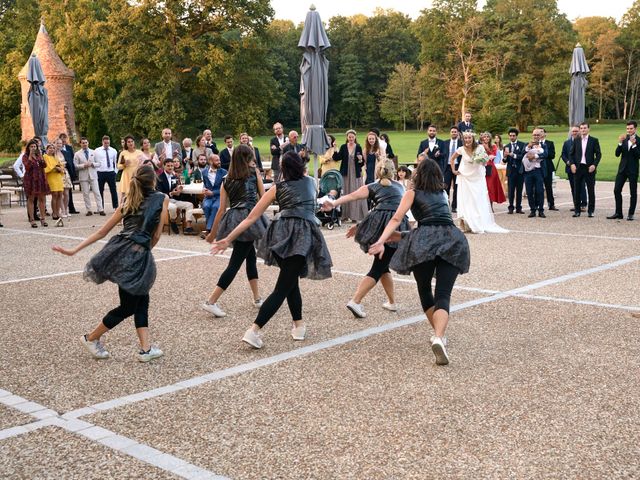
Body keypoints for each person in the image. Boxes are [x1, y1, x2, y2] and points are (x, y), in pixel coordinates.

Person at [211, 151, 332, 348]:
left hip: (280, 234)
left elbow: (251, 217)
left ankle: (299, 325)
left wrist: (228, 238)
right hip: (302, 236)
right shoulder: (311, 182)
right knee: (282, 287)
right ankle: (254, 330)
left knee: (290, 281)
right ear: (301, 166)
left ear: (283, 169)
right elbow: (309, 204)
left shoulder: (277, 188)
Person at [52, 165, 168, 362]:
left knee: (141, 300)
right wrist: (145, 251)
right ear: (153, 181)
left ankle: (146, 349)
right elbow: (157, 234)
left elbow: (101, 232)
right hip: (139, 253)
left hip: (118, 250)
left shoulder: (128, 200)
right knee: (128, 306)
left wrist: (74, 250)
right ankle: (91, 338)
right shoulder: (162, 198)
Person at [369, 159, 470, 366]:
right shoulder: (442, 194)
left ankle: (438, 335)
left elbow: (398, 217)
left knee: (425, 289)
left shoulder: (412, 193)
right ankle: (439, 337)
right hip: (453, 239)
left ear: (418, 175)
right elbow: (438, 221)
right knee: (444, 294)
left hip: (424, 242)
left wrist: (381, 240)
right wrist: (400, 235)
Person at [322, 158, 409, 318]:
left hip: (377, 223)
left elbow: (352, 196)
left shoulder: (372, 186)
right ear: (394, 172)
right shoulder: (400, 187)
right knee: (379, 266)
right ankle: (356, 300)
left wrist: (333, 204)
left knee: (383, 266)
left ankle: (392, 302)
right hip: (394, 226)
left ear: (377, 171)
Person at [203, 145, 268, 315]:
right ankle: (211, 300)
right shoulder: (254, 174)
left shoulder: (226, 179)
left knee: (250, 257)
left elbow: (221, 209)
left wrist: (212, 233)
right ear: (248, 158)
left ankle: (257, 297)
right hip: (249, 218)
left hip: (234, 218)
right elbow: (264, 196)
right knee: (236, 262)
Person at [452, 131, 508, 234]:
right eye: (466, 138)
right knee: (465, 200)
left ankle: (478, 222)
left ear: (473, 138)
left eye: (469, 138)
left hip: (477, 178)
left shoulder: (480, 148)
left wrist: (481, 160)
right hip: (464, 177)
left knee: (477, 199)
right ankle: (465, 224)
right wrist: (454, 170)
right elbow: (452, 158)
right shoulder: (461, 149)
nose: (467, 140)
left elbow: (485, 162)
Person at [333, 130, 367, 222]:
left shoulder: (358, 147)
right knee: (345, 193)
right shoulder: (344, 147)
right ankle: (344, 215)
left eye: (352, 137)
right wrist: (335, 148)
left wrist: (360, 160)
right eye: (349, 137)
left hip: (355, 174)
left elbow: (361, 163)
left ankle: (354, 216)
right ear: (347, 138)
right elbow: (336, 158)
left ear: (355, 137)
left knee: (355, 193)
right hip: (345, 174)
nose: (351, 138)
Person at [608, 120, 639, 221]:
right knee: (616, 190)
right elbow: (617, 154)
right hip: (622, 169)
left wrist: (634, 145)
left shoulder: (639, 140)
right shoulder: (624, 139)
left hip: (633, 170)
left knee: (633, 192)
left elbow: (639, 156)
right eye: (627, 129)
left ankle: (631, 213)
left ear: (635, 129)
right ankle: (618, 213)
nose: (629, 130)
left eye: (631, 128)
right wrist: (620, 143)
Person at [156, 158, 197, 234]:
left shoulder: (174, 177)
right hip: (163, 201)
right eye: (168, 166)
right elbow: (159, 193)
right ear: (164, 166)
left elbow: (174, 190)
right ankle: (172, 221)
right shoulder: (159, 178)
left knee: (189, 204)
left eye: (171, 166)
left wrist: (178, 190)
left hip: (173, 200)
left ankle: (188, 227)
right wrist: (171, 193)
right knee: (173, 207)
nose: (170, 167)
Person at [569, 122, 601, 218]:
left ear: (588, 129)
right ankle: (577, 211)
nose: (583, 130)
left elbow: (599, 154)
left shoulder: (594, 140)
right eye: (581, 128)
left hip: (589, 168)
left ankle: (591, 211)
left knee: (591, 190)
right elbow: (571, 154)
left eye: (585, 128)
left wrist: (594, 165)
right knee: (577, 190)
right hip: (578, 168)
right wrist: (572, 164)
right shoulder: (576, 140)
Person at [74, 138, 103, 216]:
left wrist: (92, 164)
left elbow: (99, 163)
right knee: (86, 193)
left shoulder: (93, 152)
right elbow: (76, 166)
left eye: (86, 142)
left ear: (88, 143)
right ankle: (89, 210)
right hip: (83, 176)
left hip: (93, 175)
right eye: (83, 143)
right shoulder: (77, 154)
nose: (85, 144)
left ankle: (100, 209)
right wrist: (83, 165)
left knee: (97, 192)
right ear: (80, 144)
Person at [522, 128, 548, 218]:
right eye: (534, 135)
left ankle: (541, 210)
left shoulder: (543, 145)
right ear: (532, 135)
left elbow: (545, 155)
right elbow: (522, 153)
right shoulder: (527, 144)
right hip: (528, 172)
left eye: (538, 135)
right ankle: (532, 210)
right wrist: (528, 147)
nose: (536, 136)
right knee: (529, 191)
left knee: (540, 191)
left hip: (538, 171)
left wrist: (535, 156)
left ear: (541, 136)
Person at [561, 126, 587, 212]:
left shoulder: (583, 141)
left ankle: (583, 204)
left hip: (581, 168)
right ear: (571, 132)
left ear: (579, 131)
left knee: (582, 186)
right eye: (573, 131)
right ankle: (576, 204)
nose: (575, 133)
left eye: (576, 131)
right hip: (570, 168)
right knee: (573, 187)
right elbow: (563, 154)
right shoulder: (567, 143)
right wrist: (568, 162)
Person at [201, 154, 226, 236]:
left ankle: (209, 230)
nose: (219, 162)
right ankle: (213, 230)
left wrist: (213, 193)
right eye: (217, 160)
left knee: (215, 207)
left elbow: (226, 188)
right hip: (208, 197)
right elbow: (205, 184)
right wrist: (204, 189)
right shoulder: (204, 172)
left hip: (220, 196)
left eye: (219, 160)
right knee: (206, 206)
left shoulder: (224, 172)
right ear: (211, 162)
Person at [479, 132, 506, 210]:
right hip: (481, 168)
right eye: (484, 137)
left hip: (490, 168)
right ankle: (482, 206)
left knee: (490, 187)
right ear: (482, 138)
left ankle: (490, 206)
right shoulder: (479, 146)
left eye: (488, 137)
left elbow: (492, 156)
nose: (486, 138)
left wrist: (486, 148)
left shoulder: (493, 146)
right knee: (482, 187)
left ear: (490, 138)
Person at [503, 128, 526, 214]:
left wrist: (514, 155)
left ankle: (519, 207)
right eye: (510, 136)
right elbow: (505, 161)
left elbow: (522, 156)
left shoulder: (522, 145)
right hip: (511, 171)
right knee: (511, 190)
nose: (512, 137)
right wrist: (505, 157)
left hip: (519, 170)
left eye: (513, 135)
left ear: (516, 136)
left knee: (519, 190)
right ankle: (511, 207)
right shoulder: (506, 146)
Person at [94, 135, 119, 211]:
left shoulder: (113, 151)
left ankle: (115, 206)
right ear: (102, 142)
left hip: (110, 172)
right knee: (100, 190)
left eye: (108, 143)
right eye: (105, 143)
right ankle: (101, 207)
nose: (107, 145)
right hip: (101, 172)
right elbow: (94, 161)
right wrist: (96, 171)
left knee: (113, 190)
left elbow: (115, 162)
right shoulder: (97, 151)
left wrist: (115, 171)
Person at [43, 143, 65, 226]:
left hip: (58, 176)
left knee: (60, 194)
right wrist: (55, 167)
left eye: (53, 148)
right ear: (47, 149)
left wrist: (60, 168)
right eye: (50, 148)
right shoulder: (45, 157)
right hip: (51, 177)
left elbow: (60, 165)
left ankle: (58, 212)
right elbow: (47, 167)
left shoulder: (55, 157)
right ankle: (54, 213)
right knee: (54, 194)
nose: (51, 149)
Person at [117, 135, 142, 203]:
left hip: (137, 175)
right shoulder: (123, 153)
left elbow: (144, 163)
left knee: (137, 194)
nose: (130, 143)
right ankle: (121, 211)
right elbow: (118, 166)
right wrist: (125, 164)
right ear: (126, 143)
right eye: (128, 142)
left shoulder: (139, 152)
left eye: (132, 141)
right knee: (124, 195)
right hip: (127, 175)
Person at [59, 133, 79, 214]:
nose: (64, 140)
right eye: (62, 138)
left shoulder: (69, 148)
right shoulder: (58, 149)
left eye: (65, 138)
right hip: (60, 172)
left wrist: (73, 173)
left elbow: (72, 160)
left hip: (68, 172)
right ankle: (61, 209)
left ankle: (71, 208)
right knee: (61, 192)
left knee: (69, 191)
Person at [444, 126, 461, 211]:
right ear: (450, 133)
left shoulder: (461, 143)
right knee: (446, 186)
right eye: (452, 132)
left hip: (458, 166)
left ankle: (454, 206)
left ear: (458, 133)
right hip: (447, 167)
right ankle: (446, 204)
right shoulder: (445, 143)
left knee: (456, 187)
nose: (454, 133)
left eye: (455, 132)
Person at [540, 128, 557, 211]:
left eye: (541, 131)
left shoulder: (550, 143)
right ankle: (539, 205)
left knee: (548, 186)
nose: (540, 133)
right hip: (537, 168)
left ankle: (551, 204)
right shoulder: (534, 143)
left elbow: (552, 155)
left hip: (547, 167)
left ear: (545, 134)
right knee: (538, 187)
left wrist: (543, 153)